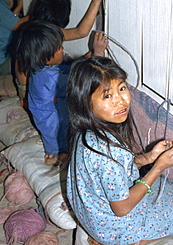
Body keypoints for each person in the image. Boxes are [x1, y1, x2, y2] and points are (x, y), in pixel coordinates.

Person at [66, 56, 173, 245]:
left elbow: (116, 169)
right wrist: (158, 168)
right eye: (107, 96)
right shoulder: (109, 153)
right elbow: (122, 208)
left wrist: (149, 157)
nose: (121, 100)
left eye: (122, 88)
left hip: (91, 217)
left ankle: (107, 236)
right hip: (114, 225)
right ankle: (127, 244)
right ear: (85, 102)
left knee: (170, 191)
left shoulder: (86, 135)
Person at [16, 20, 108, 165]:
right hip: (51, 118)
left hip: (44, 112)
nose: (62, 49)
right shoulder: (50, 78)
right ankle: (55, 157)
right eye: (58, 48)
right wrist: (98, 54)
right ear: (45, 55)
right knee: (61, 139)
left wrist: (86, 58)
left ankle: (53, 153)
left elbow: (67, 69)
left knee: (54, 137)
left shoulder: (40, 67)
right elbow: (77, 79)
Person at [15, 0, 103, 107]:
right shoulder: (47, 35)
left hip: (25, 83)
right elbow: (81, 32)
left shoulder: (30, 26)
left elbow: (51, 10)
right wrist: (96, 0)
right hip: (32, 91)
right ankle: (26, 103)